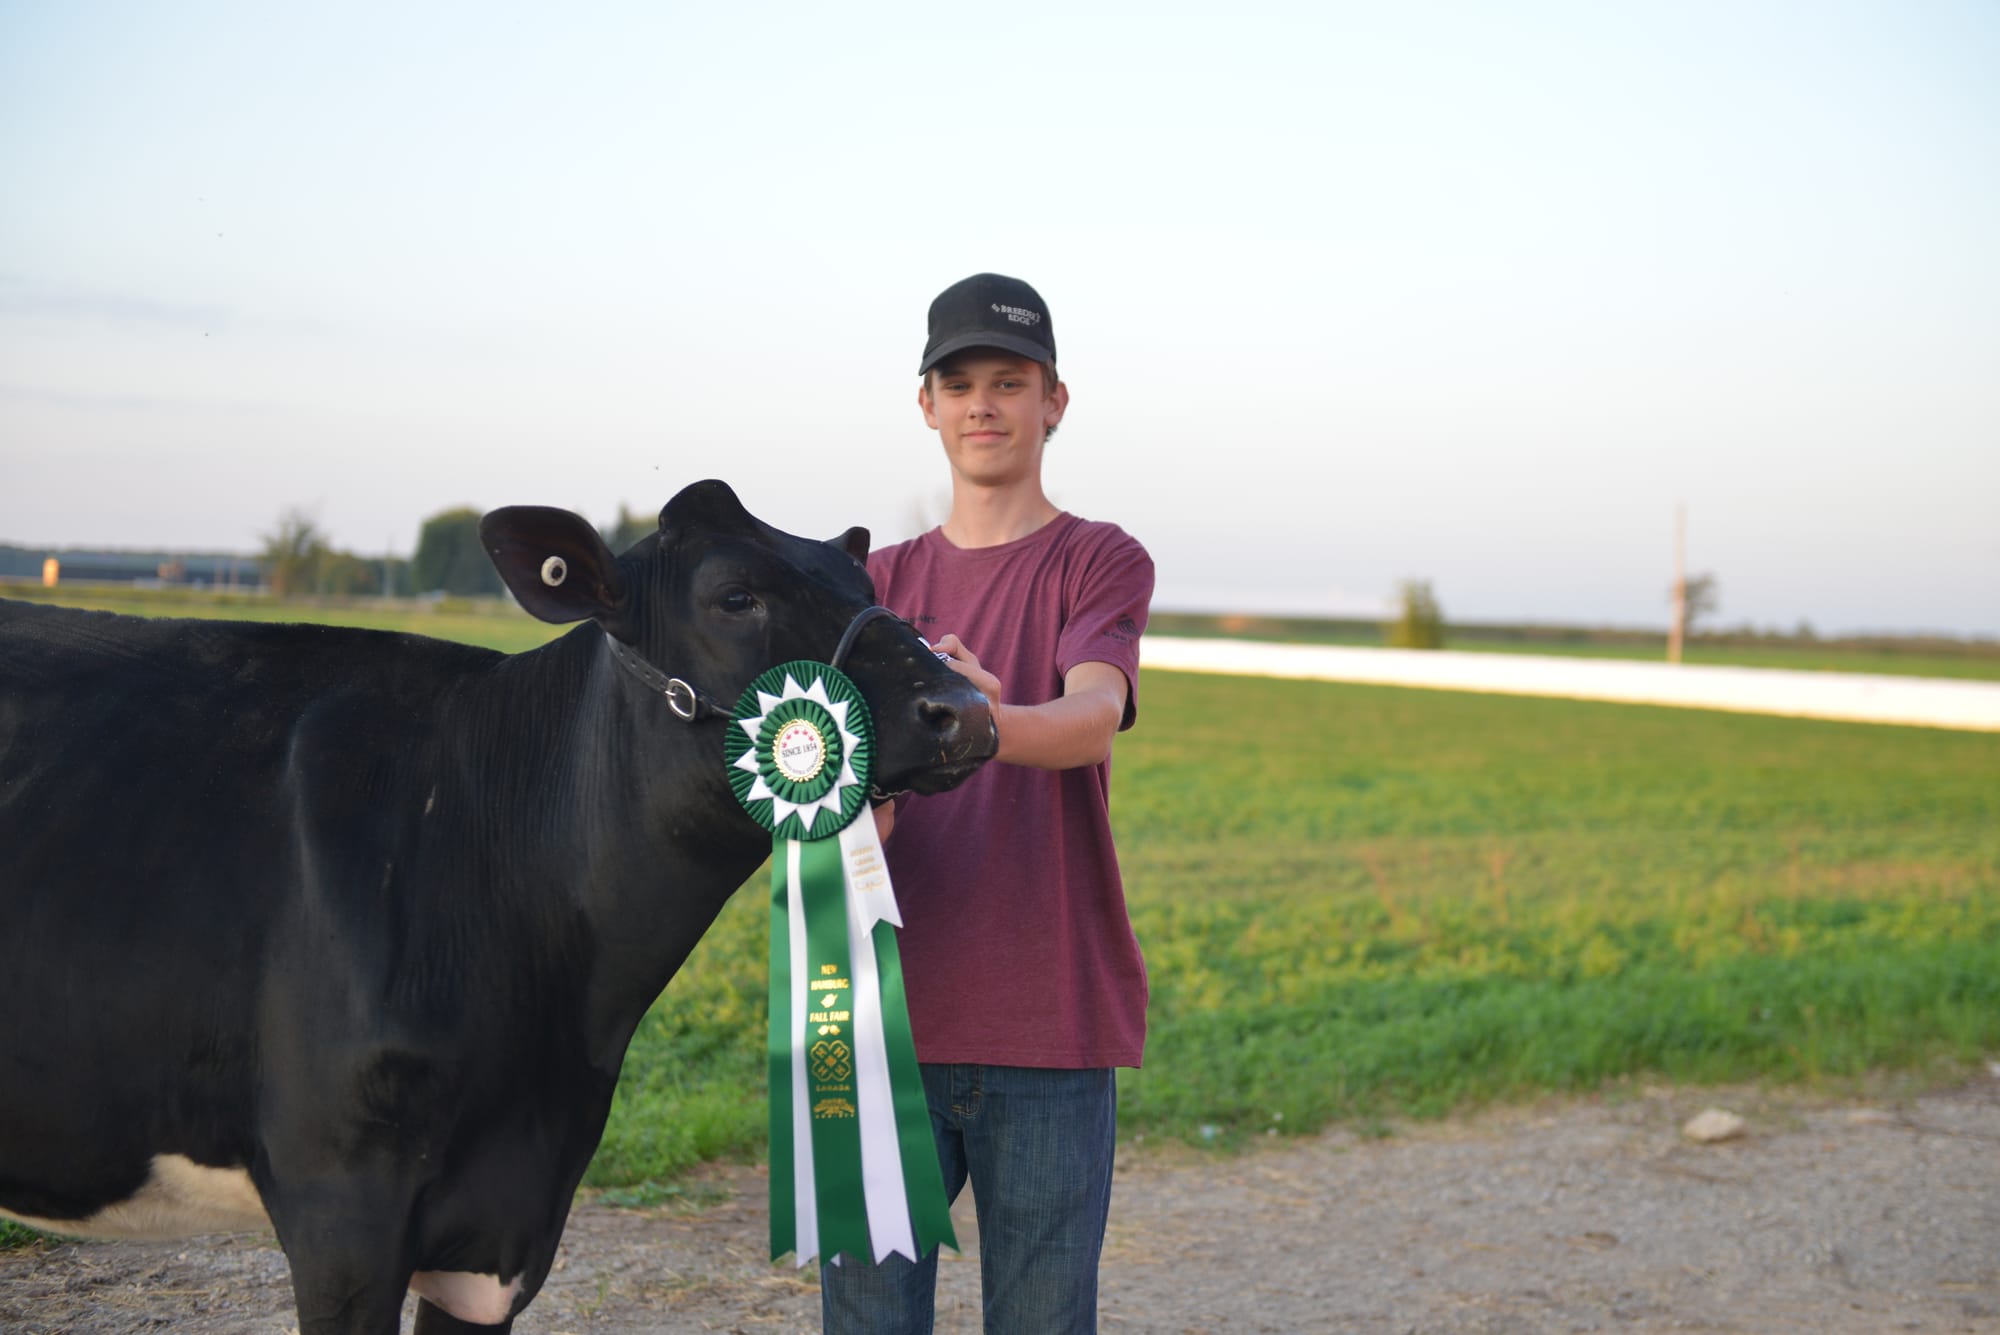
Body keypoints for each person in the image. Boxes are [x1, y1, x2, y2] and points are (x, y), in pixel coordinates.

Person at [821, 273, 1154, 1334]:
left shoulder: (1097, 558)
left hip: (1046, 1021)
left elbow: (1092, 715)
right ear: (925, 405)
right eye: (957, 382)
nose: (982, 405)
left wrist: (978, 719)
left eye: (1008, 382)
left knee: (1041, 1321)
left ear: (1054, 399)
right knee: (867, 1322)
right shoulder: (867, 581)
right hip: (875, 1023)